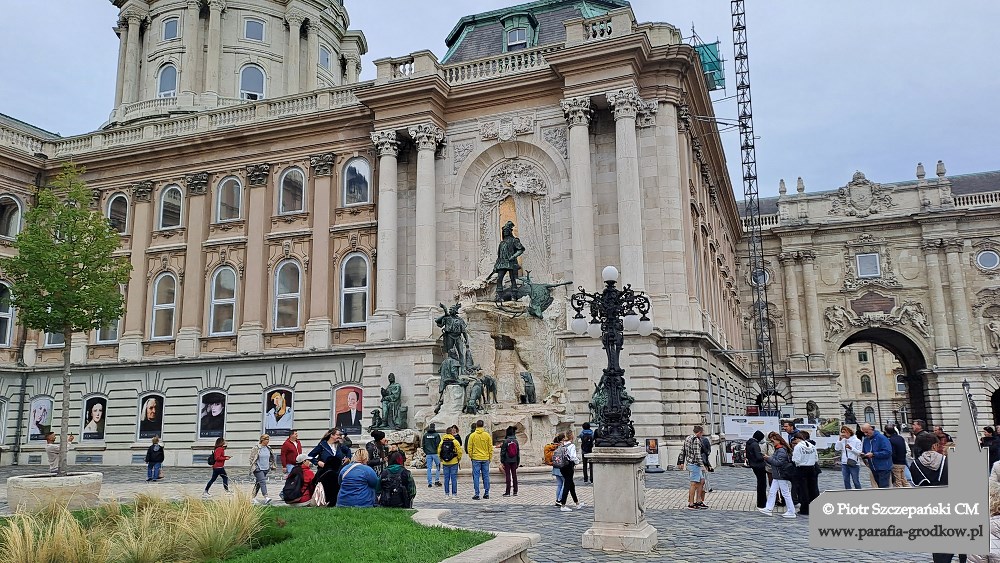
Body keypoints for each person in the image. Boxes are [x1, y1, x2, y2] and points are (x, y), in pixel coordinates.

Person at [309, 427, 352, 506]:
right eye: (338, 435)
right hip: (325, 473)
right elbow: (310, 456)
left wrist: (348, 458)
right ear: (332, 435)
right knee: (327, 489)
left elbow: (348, 451)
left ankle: (336, 503)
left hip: (338, 471)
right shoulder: (322, 445)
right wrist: (318, 462)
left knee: (337, 488)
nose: (339, 437)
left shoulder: (340, 445)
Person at [759, 433, 796, 518]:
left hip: (780, 474)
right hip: (778, 474)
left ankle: (791, 511)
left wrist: (768, 458)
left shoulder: (781, 450)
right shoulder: (779, 449)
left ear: (778, 441)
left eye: (773, 441)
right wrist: (769, 458)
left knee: (785, 493)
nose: (772, 443)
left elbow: (778, 463)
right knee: (773, 492)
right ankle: (768, 509)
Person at [679, 425, 707, 510]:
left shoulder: (688, 438)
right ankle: (691, 503)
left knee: (702, 481)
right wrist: (702, 465)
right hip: (694, 464)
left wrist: (681, 461)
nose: (702, 435)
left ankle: (698, 500)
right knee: (693, 484)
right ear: (699, 432)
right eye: (702, 433)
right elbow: (697, 454)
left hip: (691, 463)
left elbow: (682, 450)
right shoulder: (696, 440)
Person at [791, 430, 819, 515]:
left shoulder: (798, 447)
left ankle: (804, 509)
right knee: (812, 489)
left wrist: (796, 462)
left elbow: (796, 459)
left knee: (803, 490)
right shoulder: (812, 446)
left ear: (797, 439)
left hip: (801, 468)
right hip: (812, 468)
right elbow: (816, 458)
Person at [556, 430, 584, 512]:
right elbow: (572, 457)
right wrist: (577, 461)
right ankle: (563, 504)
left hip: (562, 466)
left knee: (571, 485)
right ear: (571, 436)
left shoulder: (562, 444)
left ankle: (577, 503)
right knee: (567, 485)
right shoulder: (571, 445)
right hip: (568, 466)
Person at [860, 423, 893, 488]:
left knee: (883, 487)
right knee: (879, 486)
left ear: (871, 429)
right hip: (873, 467)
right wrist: (863, 455)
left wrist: (874, 454)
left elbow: (888, 452)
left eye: (866, 432)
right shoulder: (866, 440)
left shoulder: (882, 438)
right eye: (864, 433)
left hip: (883, 467)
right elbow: (864, 450)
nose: (865, 434)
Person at [249, 434, 277, 504]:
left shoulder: (268, 448)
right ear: (262, 440)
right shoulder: (256, 448)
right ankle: (266, 497)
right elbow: (251, 458)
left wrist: (270, 465)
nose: (268, 441)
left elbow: (271, 458)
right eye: (266, 439)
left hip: (266, 468)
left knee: (258, 483)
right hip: (258, 469)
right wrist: (256, 467)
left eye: (268, 439)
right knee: (262, 481)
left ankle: (252, 497)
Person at [468, 419, 492, 500]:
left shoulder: (472, 435)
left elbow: (469, 448)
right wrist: (490, 457)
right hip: (485, 458)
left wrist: (471, 456)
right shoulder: (487, 435)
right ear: (483, 425)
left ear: (476, 426)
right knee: (486, 476)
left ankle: (477, 493)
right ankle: (486, 493)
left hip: (476, 458)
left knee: (476, 476)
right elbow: (490, 448)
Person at [745, 430, 768, 509]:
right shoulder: (755, 444)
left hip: (753, 465)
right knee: (762, 484)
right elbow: (758, 457)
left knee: (760, 483)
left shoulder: (749, 443)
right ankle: (762, 503)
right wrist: (764, 457)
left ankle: (760, 502)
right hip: (759, 466)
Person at [438, 427, 463, 498]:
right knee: (454, 478)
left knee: (446, 479)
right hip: (454, 462)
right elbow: (459, 452)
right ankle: (454, 494)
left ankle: (447, 494)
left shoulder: (442, 442)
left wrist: (441, 459)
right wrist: (458, 459)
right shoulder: (455, 441)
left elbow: (439, 451)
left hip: (445, 463)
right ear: (452, 433)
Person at [544, 433, 564, 507]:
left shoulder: (552, 447)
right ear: (562, 440)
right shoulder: (560, 447)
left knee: (559, 484)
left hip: (555, 467)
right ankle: (559, 500)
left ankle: (557, 499)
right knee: (565, 484)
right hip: (561, 467)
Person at [500, 426, 520, 497]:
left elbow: (503, 452)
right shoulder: (516, 441)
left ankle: (508, 492)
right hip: (514, 460)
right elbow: (518, 453)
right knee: (514, 475)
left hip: (507, 460)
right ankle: (515, 491)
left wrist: (502, 461)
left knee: (508, 475)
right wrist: (518, 462)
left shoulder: (505, 441)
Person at [422, 424, 442, 488]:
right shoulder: (436, 435)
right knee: (438, 467)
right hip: (435, 453)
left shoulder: (425, 435)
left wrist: (426, 452)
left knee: (429, 469)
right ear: (434, 427)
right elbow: (439, 444)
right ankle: (436, 481)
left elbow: (423, 445)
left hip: (428, 454)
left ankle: (429, 483)